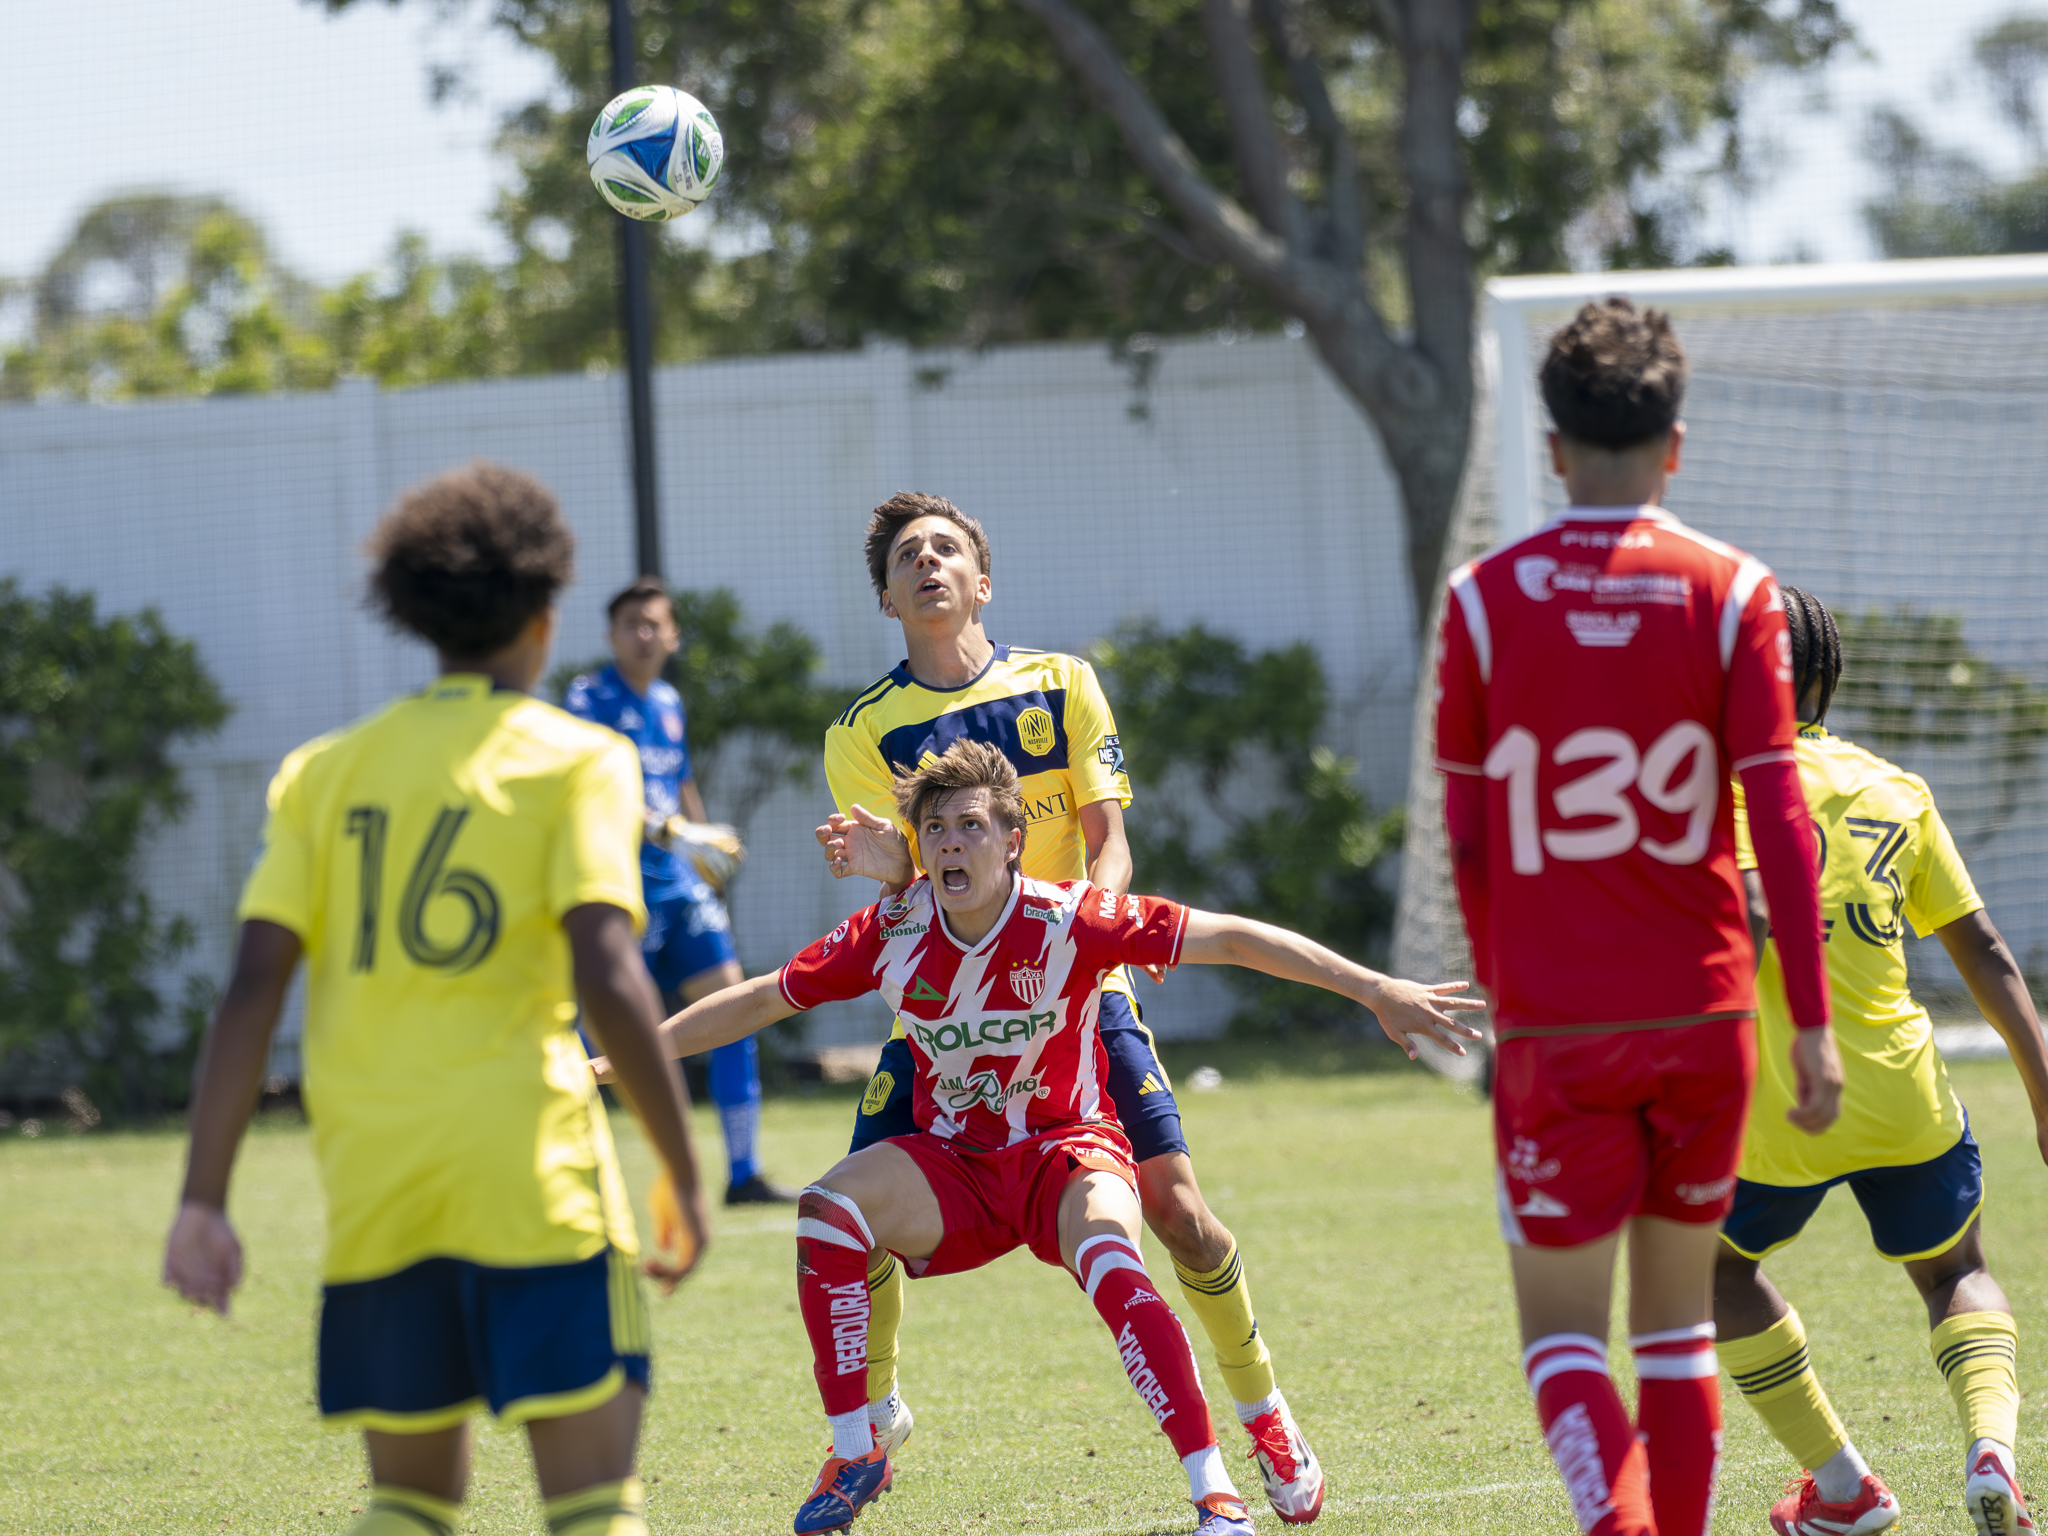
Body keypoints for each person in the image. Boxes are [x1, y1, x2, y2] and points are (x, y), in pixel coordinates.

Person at [598, 739, 1483, 1536]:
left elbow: (1238, 940)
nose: (951, 843)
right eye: (936, 828)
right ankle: (856, 1449)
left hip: (1068, 1151)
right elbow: (759, 999)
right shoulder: (893, 932)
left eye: (971, 826)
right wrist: (623, 1058)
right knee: (828, 1210)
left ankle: (1218, 1496)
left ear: (1012, 841)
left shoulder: (1071, 920)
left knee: (1117, 1256)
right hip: (956, 1166)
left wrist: (1374, 988)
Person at [161, 463, 709, 1536]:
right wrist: (684, 1173)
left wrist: (202, 1199)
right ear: (547, 618)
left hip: (380, 1189)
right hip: (533, 1182)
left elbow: (250, 991)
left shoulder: (322, 772)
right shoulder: (581, 761)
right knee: (594, 1507)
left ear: (416, 615)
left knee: (408, 1507)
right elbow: (607, 973)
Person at [811, 492, 1326, 1522]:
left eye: (946, 549)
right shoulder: (863, 731)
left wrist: (1103, 928)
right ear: (885, 598)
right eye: (906, 557)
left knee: (1178, 1214)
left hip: (1080, 986)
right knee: (845, 1214)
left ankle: (1261, 1406)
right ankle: (868, 1430)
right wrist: (888, 871)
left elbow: (1107, 833)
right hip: (951, 1018)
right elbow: (906, 891)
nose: (927, 564)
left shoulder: (1061, 683)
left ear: (981, 580)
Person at [1435, 297, 1844, 1536]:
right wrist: (1809, 1025)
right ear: (1676, 444)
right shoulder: (1735, 593)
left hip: (1559, 1024)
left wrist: (1503, 992)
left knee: (1561, 1336)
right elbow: (1777, 821)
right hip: (1706, 1012)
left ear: (1551, 448)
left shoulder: (1481, 600)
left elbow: (1467, 840)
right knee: (1673, 1330)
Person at [1715, 586, 2048, 1536]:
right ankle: (1992, 1451)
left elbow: (1754, 920)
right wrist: (2044, 1090)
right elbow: (1985, 949)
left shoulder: (1726, 790)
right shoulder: (1894, 788)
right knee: (1956, 1273)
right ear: (1828, 680)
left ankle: (1843, 1487)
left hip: (1781, 1103)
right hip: (1904, 1091)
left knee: (1712, 1274)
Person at [565, 578, 795, 1206]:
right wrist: (672, 830)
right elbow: (592, 786)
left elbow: (682, 781)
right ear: (612, 636)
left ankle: (743, 1173)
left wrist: (702, 849)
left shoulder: (668, 701)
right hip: (615, 888)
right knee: (599, 1038)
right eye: (631, 624)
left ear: (673, 635)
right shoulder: (588, 698)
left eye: (654, 624)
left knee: (731, 1011)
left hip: (678, 888)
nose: (644, 634)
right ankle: (565, 1171)